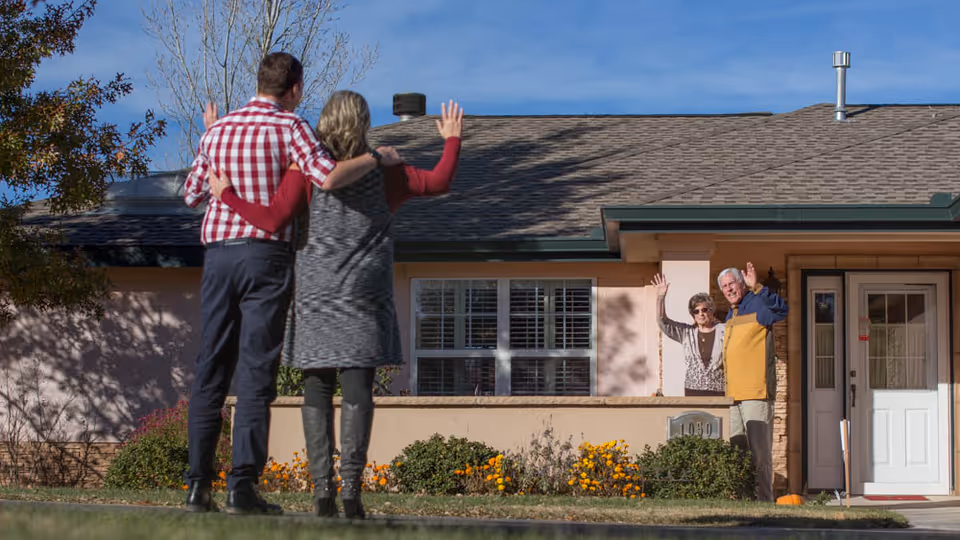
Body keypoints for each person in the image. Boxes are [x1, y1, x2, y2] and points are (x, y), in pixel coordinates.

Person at [208, 91, 463, 519]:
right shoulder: (386, 171)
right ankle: (352, 494)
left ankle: (322, 493)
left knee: (317, 389)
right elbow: (438, 182)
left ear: (324, 122)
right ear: (363, 124)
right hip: (365, 295)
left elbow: (273, 216)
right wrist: (452, 139)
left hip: (315, 293)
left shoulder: (305, 171)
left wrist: (226, 187)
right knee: (358, 390)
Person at [181, 53, 401, 516]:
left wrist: (217, 153)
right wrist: (374, 157)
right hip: (266, 257)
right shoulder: (292, 128)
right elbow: (328, 176)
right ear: (295, 88)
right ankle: (242, 487)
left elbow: (192, 194)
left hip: (219, 257)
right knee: (257, 371)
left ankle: (198, 486)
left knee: (211, 366)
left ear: (258, 81)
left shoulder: (217, 132)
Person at [717, 262, 789, 502]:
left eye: (732, 284)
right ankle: (744, 501)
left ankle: (765, 503)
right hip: (733, 396)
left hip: (756, 393)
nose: (729, 289)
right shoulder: (731, 313)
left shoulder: (758, 304)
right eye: (724, 286)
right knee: (737, 452)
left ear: (741, 284)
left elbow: (782, 310)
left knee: (760, 454)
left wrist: (757, 286)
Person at [651, 274, 725, 397]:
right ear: (693, 315)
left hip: (718, 390)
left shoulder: (724, 330)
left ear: (711, 310)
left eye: (704, 310)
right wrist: (660, 297)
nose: (701, 314)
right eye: (696, 311)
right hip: (693, 391)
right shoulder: (687, 333)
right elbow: (662, 322)